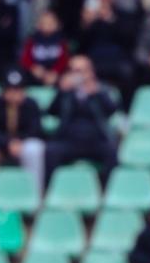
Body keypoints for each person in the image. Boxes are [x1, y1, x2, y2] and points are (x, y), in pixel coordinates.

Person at [44, 55, 120, 183]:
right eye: (73, 70)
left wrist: (97, 93)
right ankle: (49, 191)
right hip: (69, 140)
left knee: (112, 151)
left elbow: (111, 111)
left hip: (95, 140)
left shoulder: (101, 89)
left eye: (81, 71)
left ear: (90, 71)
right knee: (51, 151)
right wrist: (61, 91)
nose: (77, 75)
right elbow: (52, 112)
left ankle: (106, 191)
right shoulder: (65, 91)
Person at [0, 70, 46, 189]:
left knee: (34, 148)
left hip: (22, 145)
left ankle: (34, 192)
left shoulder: (31, 105)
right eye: (9, 90)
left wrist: (19, 142)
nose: (13, 94)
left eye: (17, 90)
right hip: (0, 146)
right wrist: (7, 143)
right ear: (3, 91)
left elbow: (36, 130)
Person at [77, 0, 139, 97]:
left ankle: (126, 110)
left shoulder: (123, 16)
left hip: (118, 59)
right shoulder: (89, 17)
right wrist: (86, 24)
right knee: (79, 73)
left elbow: (128, 40)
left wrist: (110, 19)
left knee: (128, 71)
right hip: (94, 59)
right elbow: (80, 45)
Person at [20, 8, 69, 86]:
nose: (47, 26)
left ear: (58, 25)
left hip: (55, 74)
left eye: (51, 23)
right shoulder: (32, 40)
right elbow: (25, 58)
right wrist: (33, 68)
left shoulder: (61, 41)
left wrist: (55, 72)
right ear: (38, 25)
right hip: (35, 72)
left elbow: (64, 60)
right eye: (44, 23)